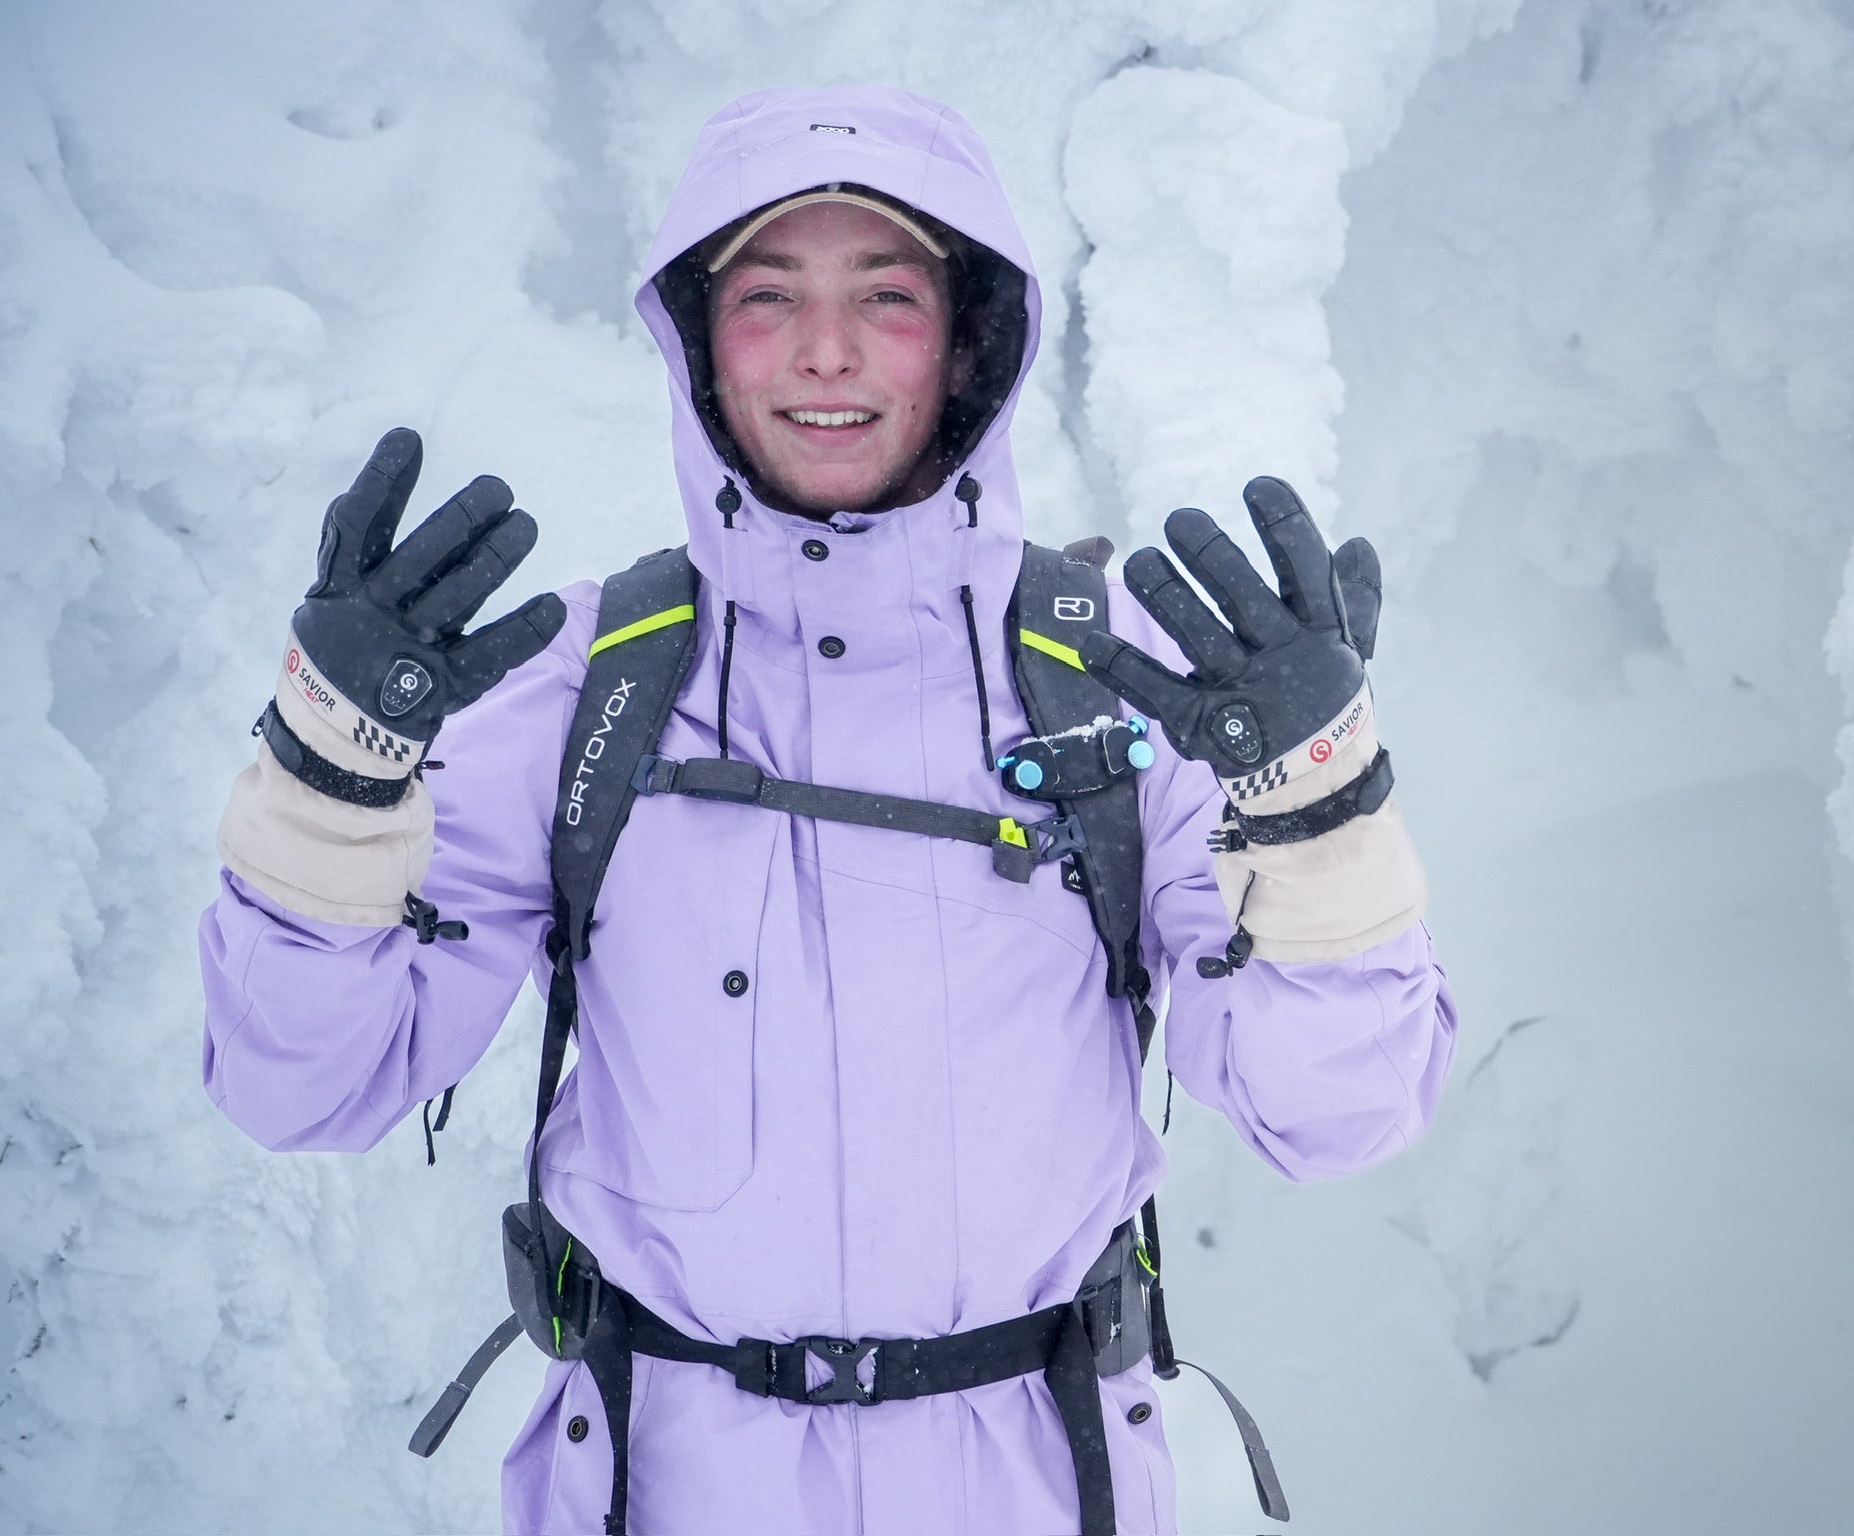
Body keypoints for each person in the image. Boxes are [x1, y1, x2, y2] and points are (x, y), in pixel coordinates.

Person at [199, 86, 1456, 1536]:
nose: (826, 349)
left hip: (1040, 1487)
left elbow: (1337, 1114)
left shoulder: (1120, 687)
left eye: (889, 294)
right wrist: (331, 785)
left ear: (969, 339)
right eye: (767, 295)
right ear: (698, 341)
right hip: (662, 1489)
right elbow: (306, 1086)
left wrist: (1319, 815)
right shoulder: (589, 689)